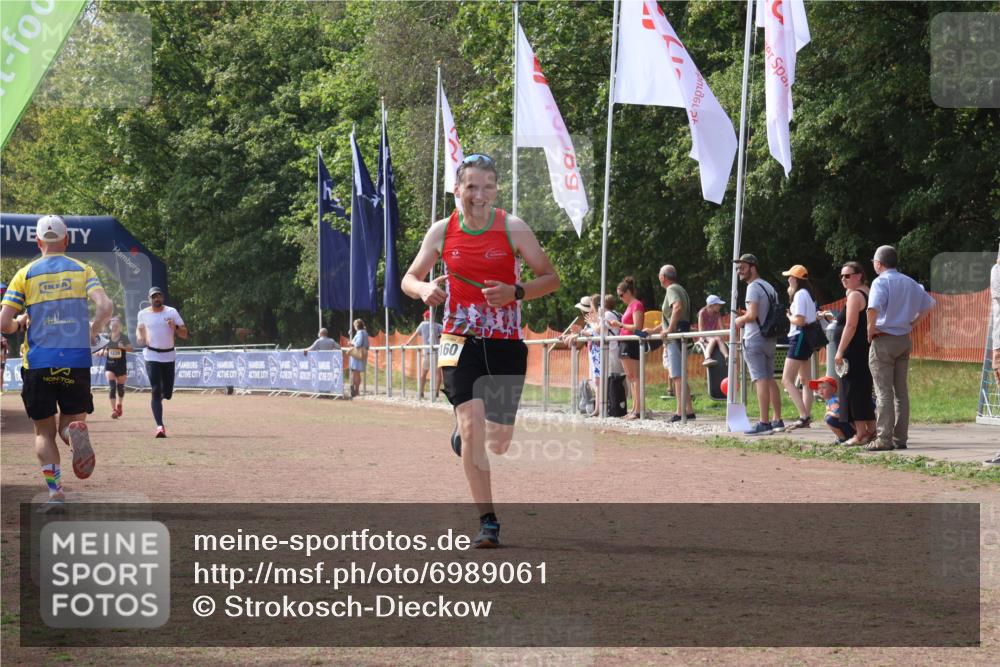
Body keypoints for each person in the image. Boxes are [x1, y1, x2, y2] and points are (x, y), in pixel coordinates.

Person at [401, 153, 559, 548]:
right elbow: (409, 278)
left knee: (499, 442)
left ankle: (467, 433)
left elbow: (550, 278)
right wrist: (424, 290)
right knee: (473, 427)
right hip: (459, 340)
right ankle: (488, 522)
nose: (478, 194)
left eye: (487, 186)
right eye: (470, 186)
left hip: (505, 342)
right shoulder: (442, 231)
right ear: (457, 189)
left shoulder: (513, 228)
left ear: (496, 189)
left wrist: (515, 292)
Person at [0, 215, 113, 511]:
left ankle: (56, 493)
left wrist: (19, 324)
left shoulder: (25, 273)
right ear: (66, 240)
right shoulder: (82, 270)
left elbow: (3, 322)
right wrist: (92, 331)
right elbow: (105, 306)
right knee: (70, 424)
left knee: (43, 433)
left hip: (38, 362)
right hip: (76, 360)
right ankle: (73, 436)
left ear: (38, 242)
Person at [865, 245, 935, 451]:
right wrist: (913, 324)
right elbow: (929, 305)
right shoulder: (910, 282)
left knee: (883, 390)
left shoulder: (880, 282)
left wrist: (870, 331)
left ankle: (883, 438)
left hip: (884, 339)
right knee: (900, 391)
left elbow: (872, 309)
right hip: (904, 338)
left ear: (878, 263)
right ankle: (900, 437)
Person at [733, 253, 784, 435]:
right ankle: (778, 419)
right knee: (770, 379)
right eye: (738, 267)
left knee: (760, 379)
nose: (739, 271)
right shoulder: (769, 287)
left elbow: (752, 315)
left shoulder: (753, 287)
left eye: (743, 267)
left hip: (755, 338)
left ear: (753, 267)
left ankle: (764, 422)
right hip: (770, 338)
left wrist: (739, 320)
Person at [832, 261, 877, 446]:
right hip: (863, 348)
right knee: (863, 390)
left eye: (848, 275)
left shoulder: (855, 296)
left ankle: (860, 433)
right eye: (842, 276)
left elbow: (850, 325)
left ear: (859, 275)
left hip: (852, 350)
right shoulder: (867, 292)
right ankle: (871, 431)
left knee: (851, 391)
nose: (844, 279)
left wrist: (840, 351)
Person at [136, 286, 188, 438]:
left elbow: (184, 334)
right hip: (151, 355)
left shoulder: (171, 312)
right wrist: (140, 336)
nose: (156, 299)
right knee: (155, 388)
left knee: (168, 393)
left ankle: (161, 396)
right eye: (153, 297)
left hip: (168, 355)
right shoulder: (143, 314)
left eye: (159, 296)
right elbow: (139, 329)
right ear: (149, 299)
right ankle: (160, 426)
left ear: (163, 298)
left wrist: (175, 327)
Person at [649, 265, 694, 422]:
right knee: (681, 375)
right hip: (680, 335)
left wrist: (669, 329)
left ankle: (679, 412)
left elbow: (677, 307)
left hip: (674, 338)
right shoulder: (680, 288)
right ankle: (689, 410)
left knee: (676, 376)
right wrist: (653, 330)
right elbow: (669, 316)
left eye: (659, 275)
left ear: (663, 277)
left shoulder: (671, 290)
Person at [780, 265, 817, 431]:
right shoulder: (807, 294)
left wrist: (789, 316)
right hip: (806, 337)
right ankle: (805, 415)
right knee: (805, 381)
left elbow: (800, 320)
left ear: (796, 279)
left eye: (790, 277)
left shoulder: (800, 295)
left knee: (786, 379)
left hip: (799, 336)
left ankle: (803, 415)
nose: (788, 279)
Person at [614, 276, 645, 420]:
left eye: (621, 295)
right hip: (625, 341)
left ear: (628, 292)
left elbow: (637, 327)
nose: (620, 298)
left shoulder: (636, 304)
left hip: (631, 342)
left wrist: (620, 325)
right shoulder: (629, 306)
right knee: (631, 378)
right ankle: (634, 408)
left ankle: (638, 410)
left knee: (635, 377)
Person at [402, 310, 444, 399]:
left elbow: (415, 334)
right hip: (437, 351)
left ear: (426, 317)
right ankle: (436, 392)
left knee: (424, 373)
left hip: (427, 352)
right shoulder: (438, 325)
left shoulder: (423, 324)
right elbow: (444, 335)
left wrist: (407, 343)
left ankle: (421, 392)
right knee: (438, 373)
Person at [98, 317, 133, 420]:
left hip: (121, 366)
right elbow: (103, 351)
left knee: (120, 388)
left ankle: (119, 405)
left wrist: (123, 347)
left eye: (116, 325)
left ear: (120, 327)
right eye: (113, 325)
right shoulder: (106, 338)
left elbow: (131, 349)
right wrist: (102, 352)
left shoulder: (124, 337)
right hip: (110, 366)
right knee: (112, 387)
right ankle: (113, 410)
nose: (114, 327)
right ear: (110, 326)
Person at [808, 376, 855, 444]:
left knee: (829, 419)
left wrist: (828, 413)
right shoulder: (830, 400)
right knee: (830, 419)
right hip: (850, 427)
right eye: (818, 388)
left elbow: (839, 415)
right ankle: (841, 437)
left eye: (824, 387)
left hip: (851, 429)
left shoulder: (833, 401)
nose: (820, 390)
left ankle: (842, 438)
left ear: (833, 389)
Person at [697, 295, 729, 367]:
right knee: (713, 340)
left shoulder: (717, 313)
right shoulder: (702, 312)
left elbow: (721, 327)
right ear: (711, 305)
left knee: (718, 338)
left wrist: (723, 334)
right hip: (705, 335)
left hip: (712, 334)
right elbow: (700, 327)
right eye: (718, 305)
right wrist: (702, 338)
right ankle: (707, 358)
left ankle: (726, 356)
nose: (720, 307)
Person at [347, 319, 369, 398]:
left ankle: (356, 390)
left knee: (355, 372)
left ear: (356, 326)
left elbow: (358, 343)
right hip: (363, 353)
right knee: (357, 373)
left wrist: (351, 342)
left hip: (357, 354)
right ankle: (356, 390)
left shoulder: (360, 333)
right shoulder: (365, 333)